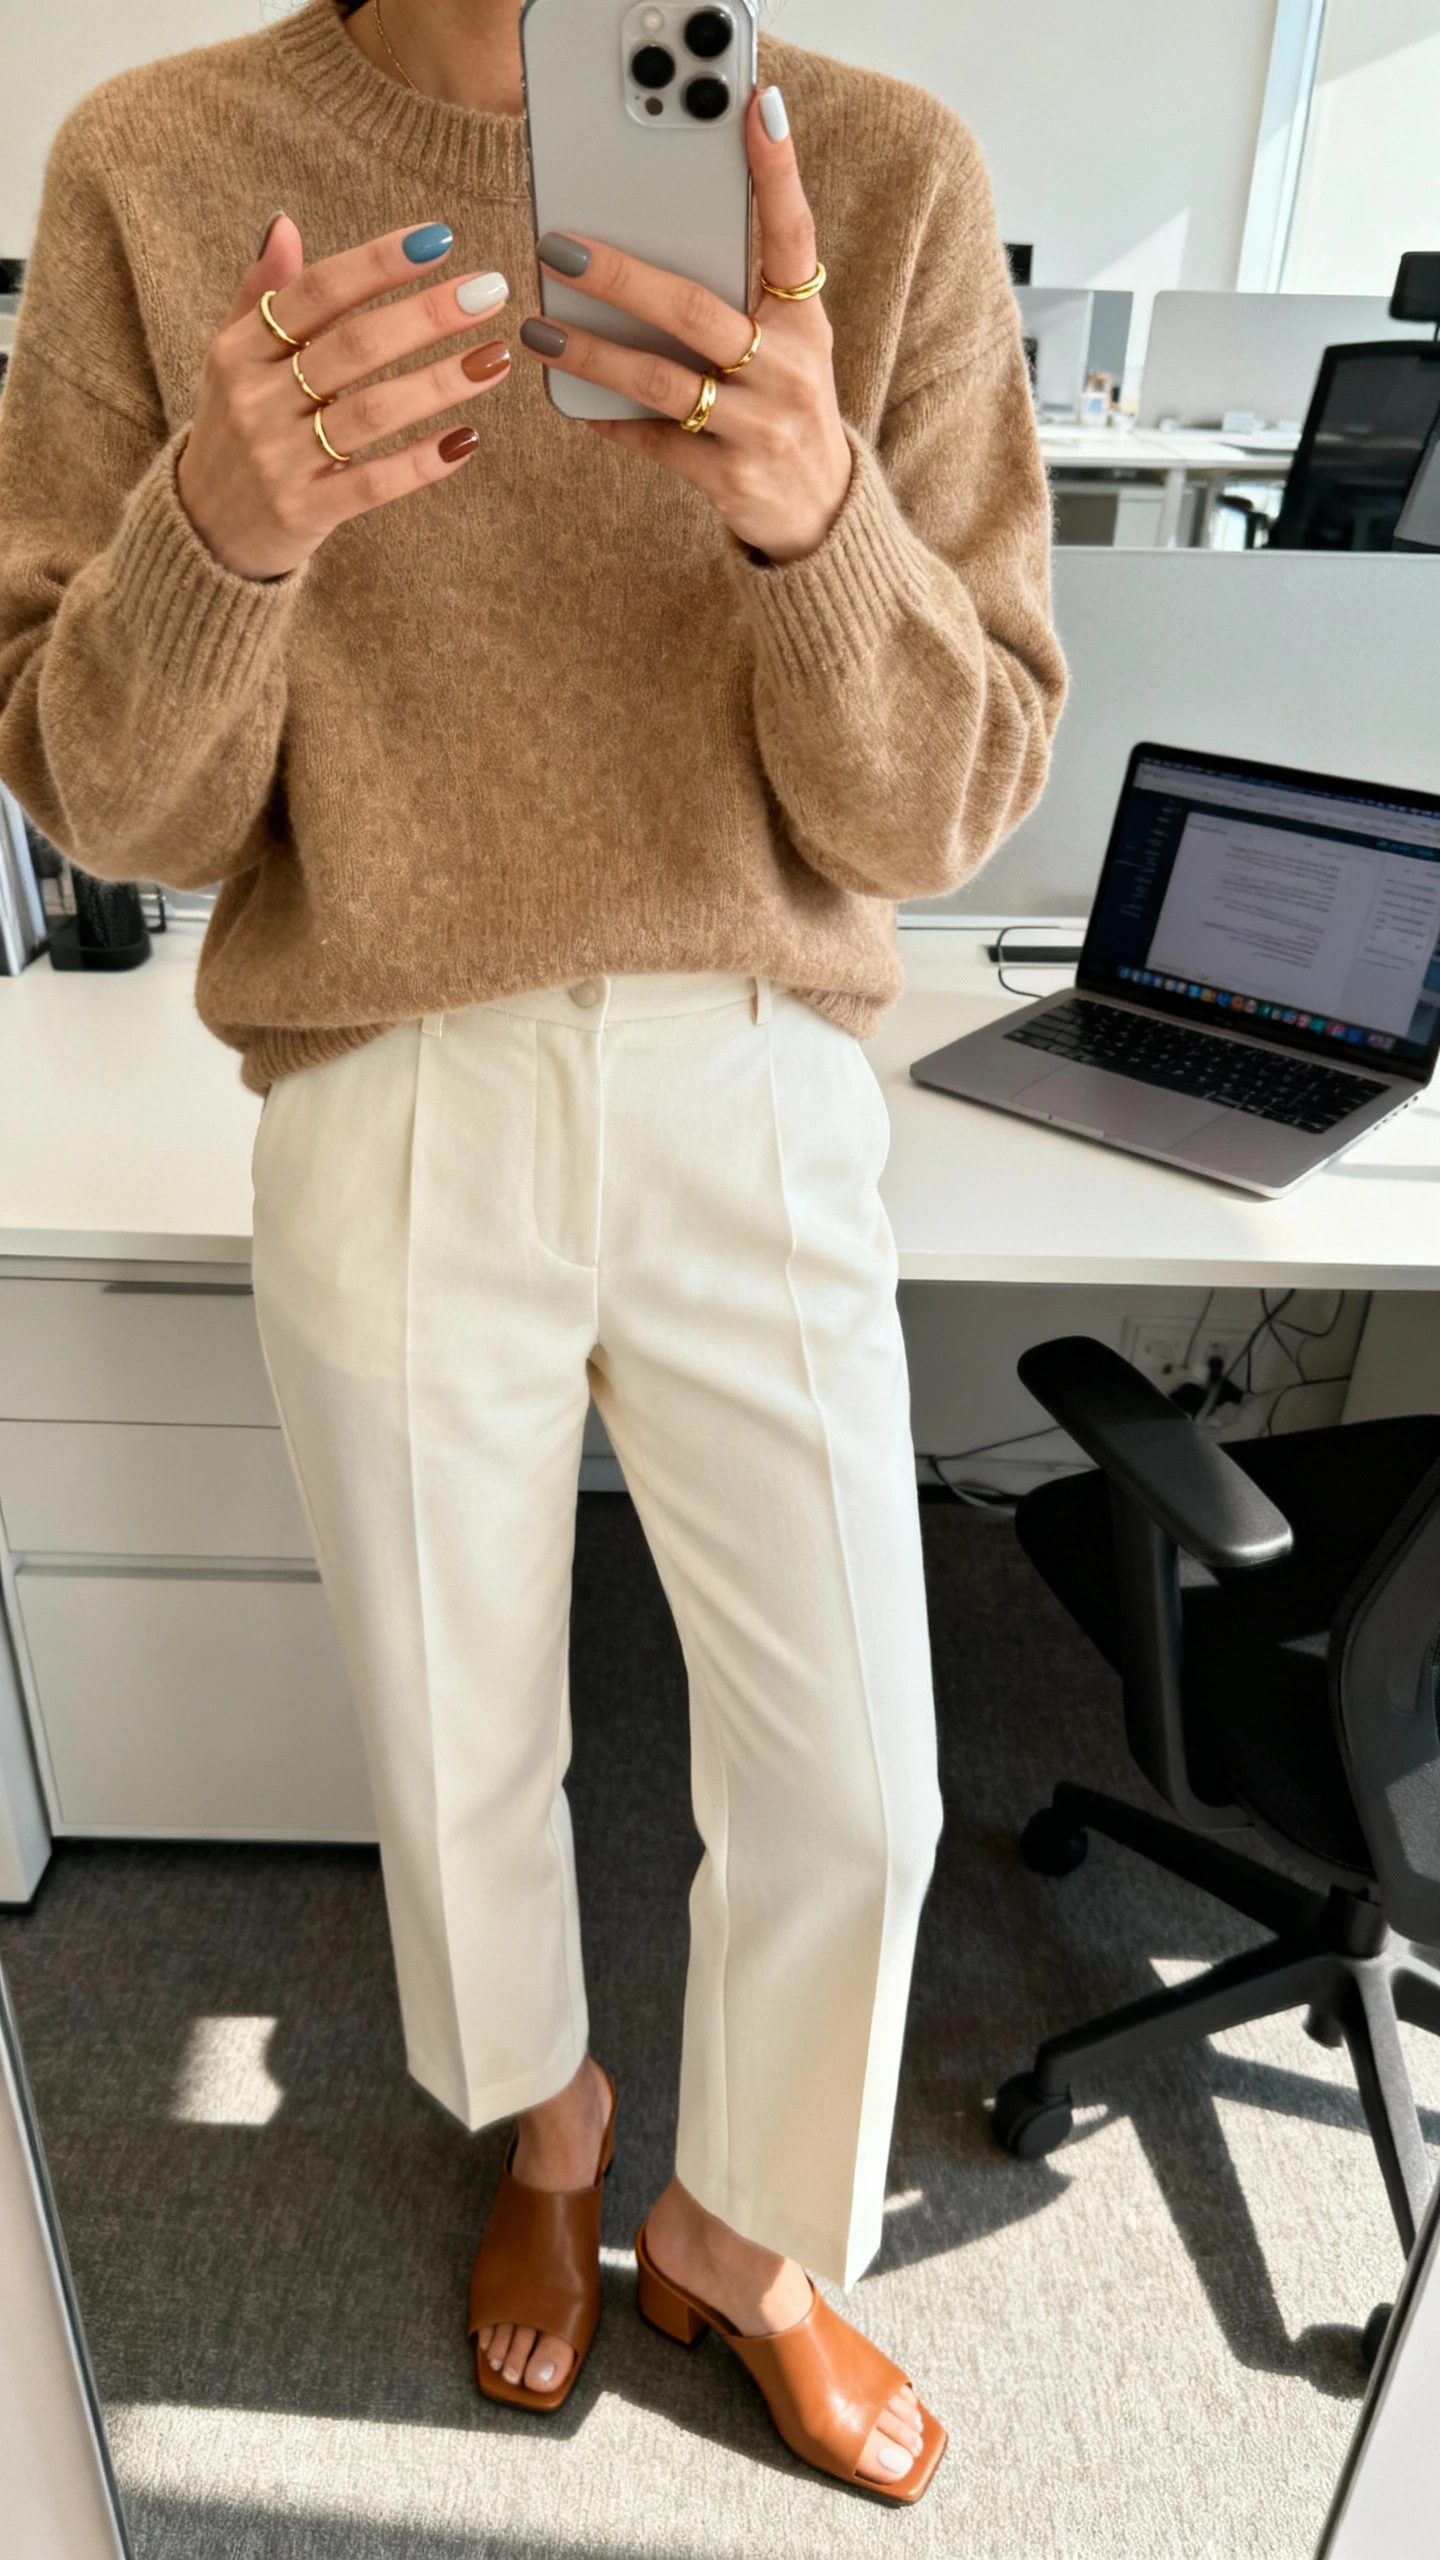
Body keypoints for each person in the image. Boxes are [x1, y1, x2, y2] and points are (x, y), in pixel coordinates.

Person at [0, 0, 1064, 2504]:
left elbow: (948, 792)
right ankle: (558, 2129)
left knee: (863, 1790)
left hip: (752, 1063)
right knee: (455, 1745)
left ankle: (744, 2231)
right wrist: (222, 530)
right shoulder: (160, 162)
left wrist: (815, 518)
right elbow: (121, 798)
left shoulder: (881, 167)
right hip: (384, 1065)